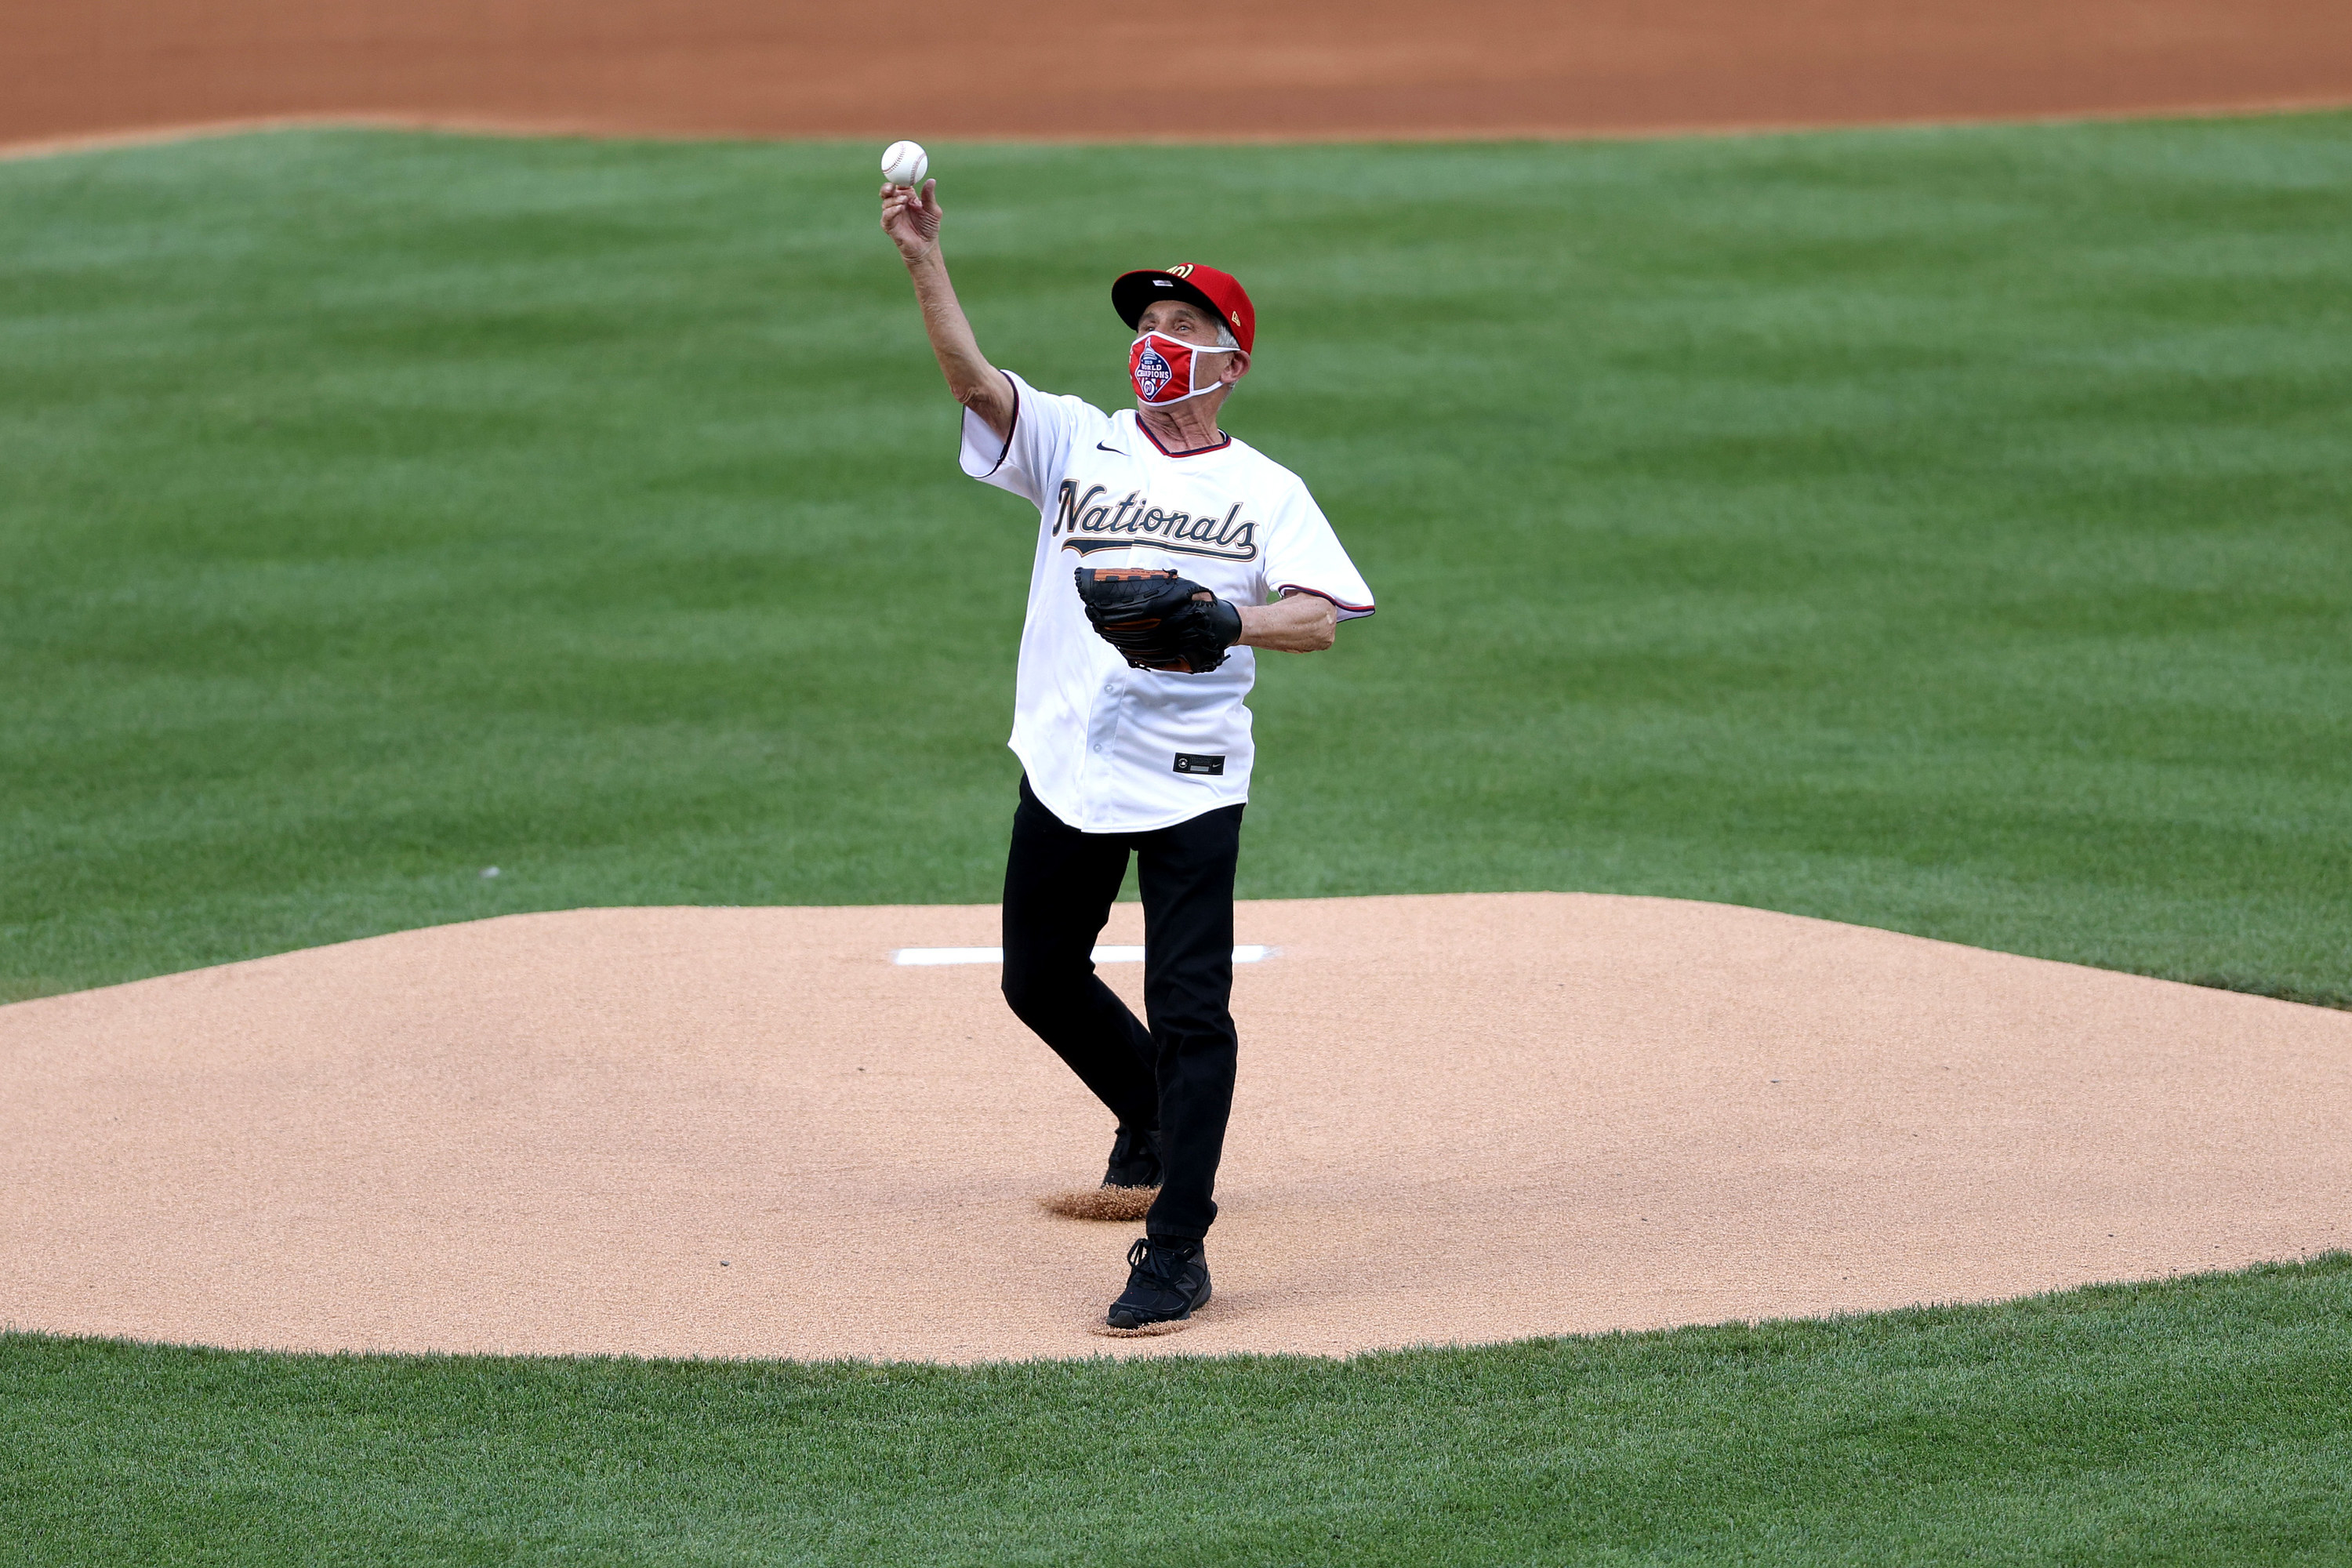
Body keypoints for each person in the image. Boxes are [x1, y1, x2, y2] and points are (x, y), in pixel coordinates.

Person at [880, 175, 1374, 1332]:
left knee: (1192, 1007)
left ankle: (1179, 1246)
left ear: (1232, 361)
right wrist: (921, 256)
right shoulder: (1074, 443)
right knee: (1037, 978)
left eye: (1183, 329)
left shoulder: (1268, 490)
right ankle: (1150, 1113)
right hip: (1066, 761)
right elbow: (969, 377)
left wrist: (1225, 620)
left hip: (1193, 779)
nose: (1155, 344)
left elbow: (1320, 617)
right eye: (1146, 328)